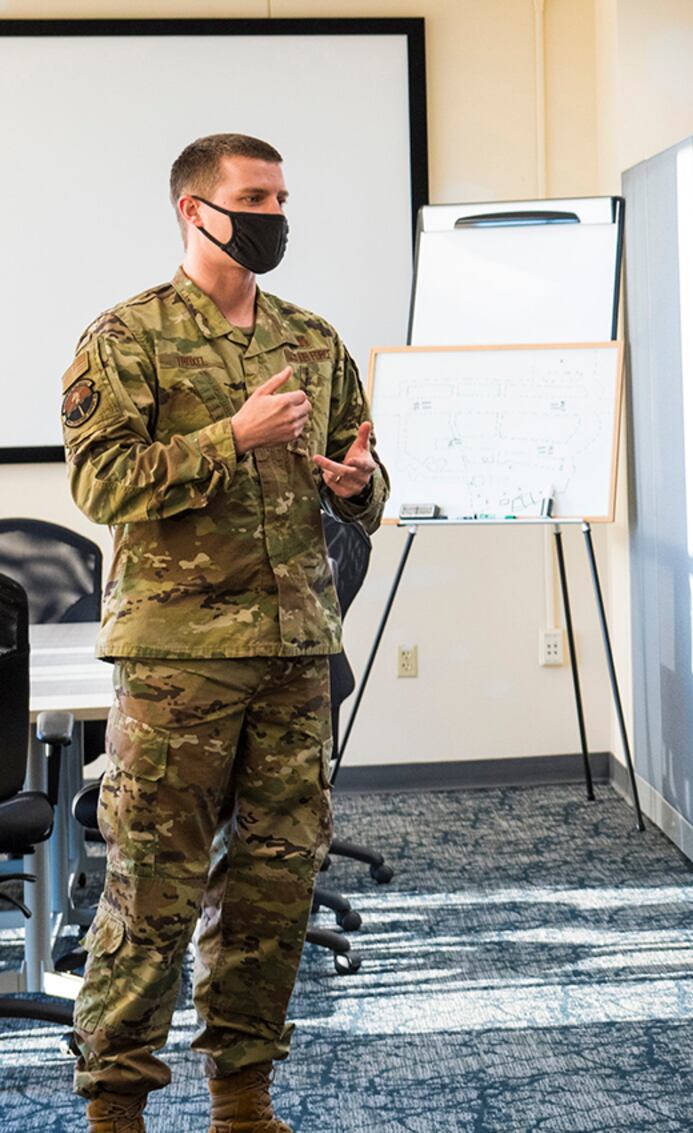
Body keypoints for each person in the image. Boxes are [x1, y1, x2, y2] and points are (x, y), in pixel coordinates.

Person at [62, 133, 388, 1133]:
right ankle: (116, 1100)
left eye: (282, 197)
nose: (273, 215)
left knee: (276, 883)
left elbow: (367, 478)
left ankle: (242, 1093)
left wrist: (359, 485)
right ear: (193, 209)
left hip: (295, 655)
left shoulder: (314, 338)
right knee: (151, 886)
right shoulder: (126, 337)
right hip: (178, 660)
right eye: (254, 196)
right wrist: (229, 438)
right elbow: (100, 480)